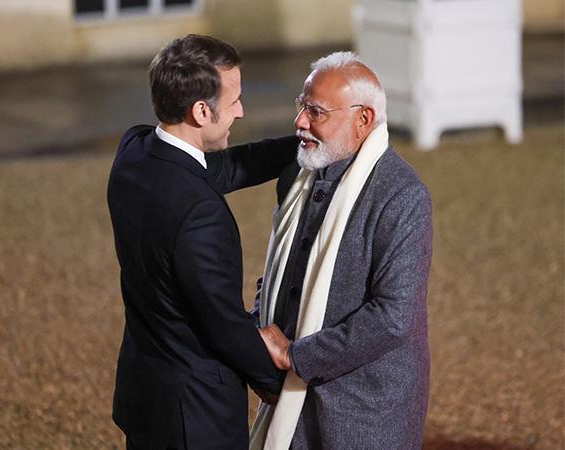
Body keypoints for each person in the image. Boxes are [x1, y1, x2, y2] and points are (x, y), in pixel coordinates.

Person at [107, 34, 296, 449]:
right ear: (201, 110)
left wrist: (304, 145)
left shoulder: (135, 151)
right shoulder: (199, 214)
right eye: (234, 103)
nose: (242, 111)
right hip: (194, 416)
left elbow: (223, 168)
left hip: (146, 394)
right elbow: (223, 323)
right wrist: (277, 382)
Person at [250, 52, 433, 450]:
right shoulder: (297, 176)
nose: (300, 122)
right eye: (302, 106)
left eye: (316, 112)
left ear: (363, 119)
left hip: (364, 412)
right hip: (291, 401)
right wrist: (258, 339)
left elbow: (392, 317)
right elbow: (279, 269)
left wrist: (295, 358)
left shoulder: (401, 196)